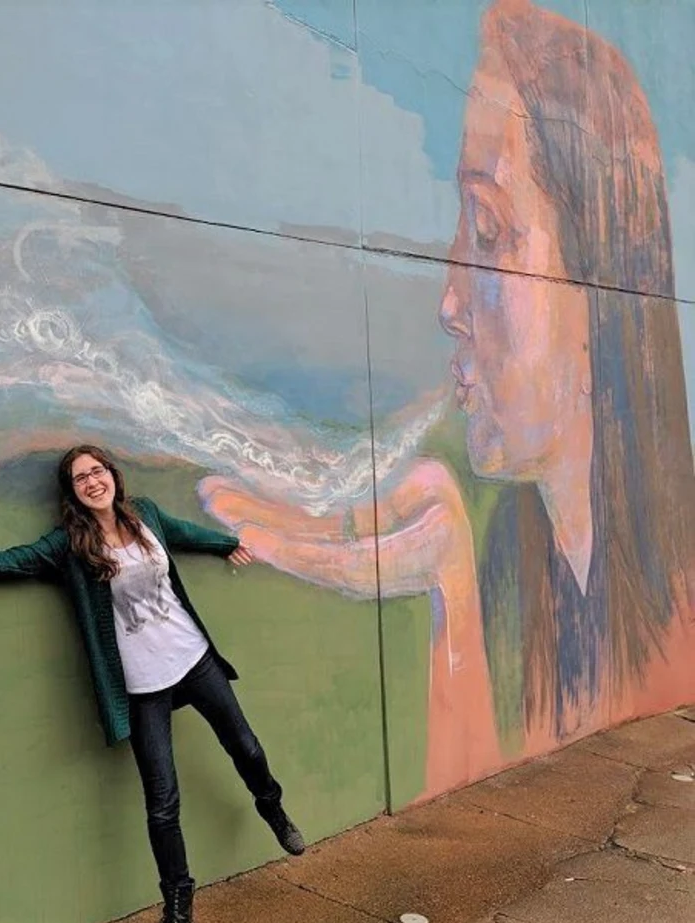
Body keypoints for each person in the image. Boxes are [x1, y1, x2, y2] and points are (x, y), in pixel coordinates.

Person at [199, 0, 695, 798]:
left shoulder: (671, 594)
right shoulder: (521, 568)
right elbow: (505, 815)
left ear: (602, 298)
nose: (449, 302)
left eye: (488, 231)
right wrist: (451, 584)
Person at [0, 444, 304, 923]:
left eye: (97, 471)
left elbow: (183, 534)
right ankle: (178, 901)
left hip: (194, 659)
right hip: (143, 685)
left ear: (112, 475)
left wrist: (224, 543)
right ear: (73, 492)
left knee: (247, 748)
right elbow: (13, 561)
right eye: (80, 478)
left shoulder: (145, 514)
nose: (92, 482)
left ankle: (271, 807)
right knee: (162, 803)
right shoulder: (70, 543)